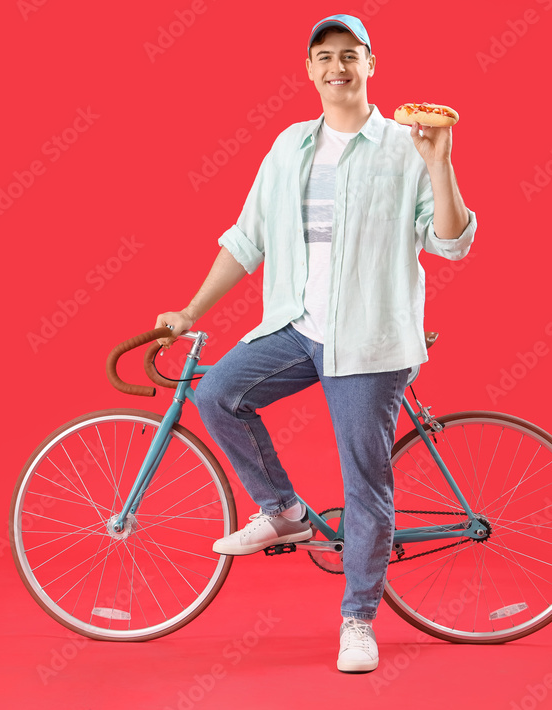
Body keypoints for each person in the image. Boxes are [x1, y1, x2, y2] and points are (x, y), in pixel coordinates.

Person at [155, 13, 476, 673]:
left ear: (371, 64)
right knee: (217, 393)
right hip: (297, 329)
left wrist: (440, 165)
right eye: (324, 56)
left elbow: (450, 242)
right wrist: (190, 310)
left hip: (372, 344)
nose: (337, 67)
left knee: (365, 485)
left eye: (349, 55)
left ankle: (358, 620)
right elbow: (246, 241)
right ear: (309, 70)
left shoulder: (404, 145)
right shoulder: (290, 147)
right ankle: (283, 509)